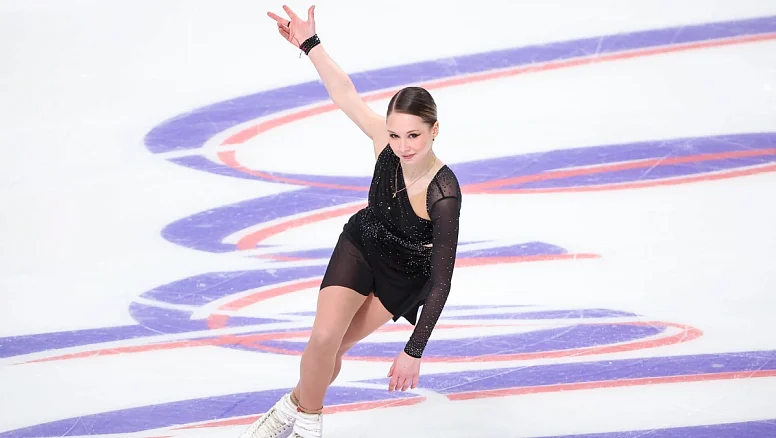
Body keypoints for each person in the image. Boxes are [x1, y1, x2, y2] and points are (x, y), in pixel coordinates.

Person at [240, 5, 462, 438]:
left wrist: (414, 350)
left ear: (434, 130)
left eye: (413, 135)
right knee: (323, 342)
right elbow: (345, 94)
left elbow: (441, 279)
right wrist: (310, 44)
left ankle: (289, 408)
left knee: (335, 349)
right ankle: (308, 423)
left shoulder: (443, 193)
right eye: (395, 134)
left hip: (404, 276)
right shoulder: (384, 142)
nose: (402, 146)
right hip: (363, 245)